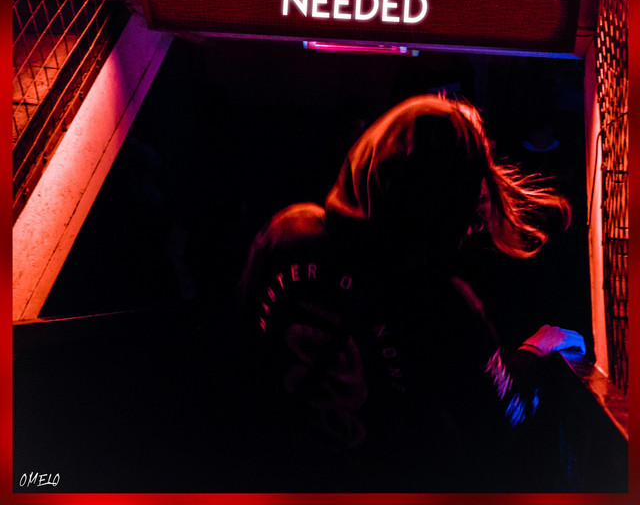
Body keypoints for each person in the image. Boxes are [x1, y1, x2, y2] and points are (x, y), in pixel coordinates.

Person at [237, 94, 586, 492]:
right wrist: (535, 353)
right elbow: (504, 421)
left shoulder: (289, 233)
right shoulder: (442, 305)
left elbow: (242, 348)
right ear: (450, 207)